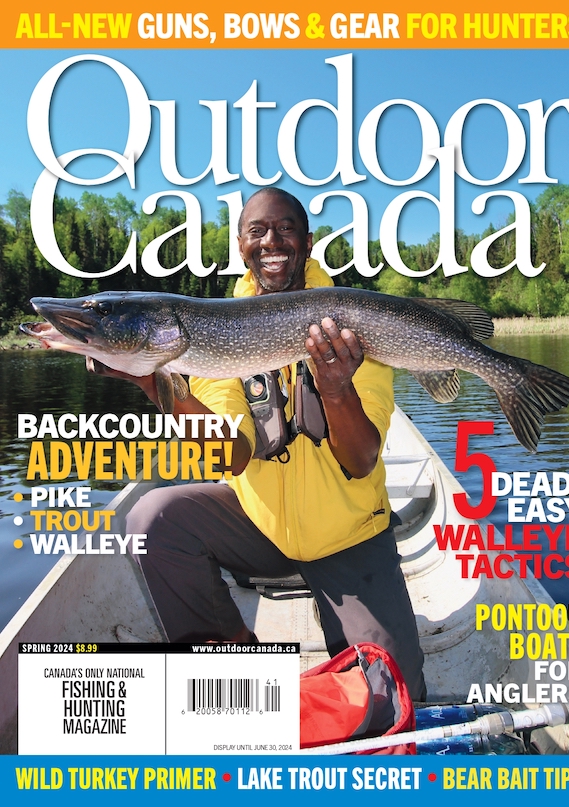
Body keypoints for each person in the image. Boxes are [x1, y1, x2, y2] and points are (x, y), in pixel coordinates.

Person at [120, 187, 426, 701]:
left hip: (349, 534)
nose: (271, 241)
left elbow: (361, 458)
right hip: (262, 527)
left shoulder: (348, 318)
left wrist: (335, 386)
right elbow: (233, 454)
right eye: (257, 231)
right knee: (154, 519)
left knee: (392, 701)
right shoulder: (214, 330)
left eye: (285, 228)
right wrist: (157, 387)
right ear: (241, 245)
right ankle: (235, 652)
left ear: (307, 243)